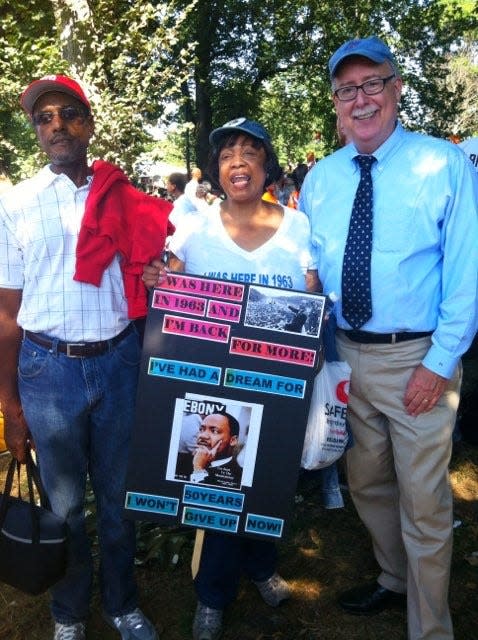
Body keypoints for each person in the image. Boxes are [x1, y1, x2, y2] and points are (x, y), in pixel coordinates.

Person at [299, 36, 478, 640]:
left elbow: (467, 272)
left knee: (425, 502)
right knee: (367, 482)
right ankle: (393, 579)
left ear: (397, 87)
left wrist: (440, 362)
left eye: (373, 82)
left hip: (417, 358)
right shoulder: (321, 178)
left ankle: (430, 629)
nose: (362, 99)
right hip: (346, 358)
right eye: (347, 89)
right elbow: (307, 268)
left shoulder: (443, 163)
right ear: (335, 103)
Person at [0, 75, 173, 640]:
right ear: (35, 131)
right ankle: (70, 611)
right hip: (47, 372)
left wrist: (161, 269)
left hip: (120, 362)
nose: (55, 125)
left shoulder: (125, 196)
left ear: (88, 123)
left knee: (121, 500)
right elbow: (6, 312)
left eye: (67, 113)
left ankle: (122, 604)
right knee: (65, 505)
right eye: (43, 118)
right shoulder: (15, 203)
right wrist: (9, 402)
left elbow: (159, 267)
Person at [143, 116, 320, 640]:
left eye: (249, 152)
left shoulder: (298, 225)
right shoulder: (195, 228)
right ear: (217, 170)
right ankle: (213, 597)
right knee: (221, 484)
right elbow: (171, 285)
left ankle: (262, 567)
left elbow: (309, 291)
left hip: (275, 384)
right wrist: (161, 278)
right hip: (211, 383)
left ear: (267, 164)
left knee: (266, 482)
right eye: (226, 155)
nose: (238, 162)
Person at [175, 411, 243, 489]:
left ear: (233, 440)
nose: (202, 435)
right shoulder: (181, 461)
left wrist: (198, 469)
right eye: (201, 429)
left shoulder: (239, 477)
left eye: (214, 431)